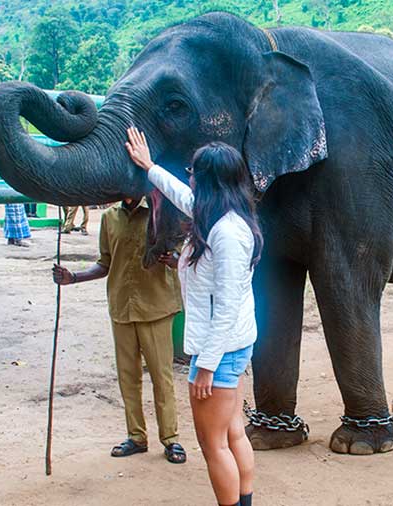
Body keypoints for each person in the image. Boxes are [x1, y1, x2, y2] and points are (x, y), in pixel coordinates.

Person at [125, 127, 261, 506]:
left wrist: (206, 366)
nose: (189, 177)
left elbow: (228, 306)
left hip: (219, 351)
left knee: (213, 444)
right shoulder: (218, 215)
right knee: (233, 433)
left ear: (209, 181)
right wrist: (149, 166)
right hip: (232, 346)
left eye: (193, 172)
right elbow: (180, 195)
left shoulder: (227, 234)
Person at [51, 196, 188, 465]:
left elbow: (184, 258)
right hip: (122, 307)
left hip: (156, 307)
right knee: (128, 378)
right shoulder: (109, 217)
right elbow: (105, 263)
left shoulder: (163, 213)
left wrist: (173, 259)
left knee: (162, 378)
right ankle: (136, 437)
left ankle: (170, 438)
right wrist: (74, 278)